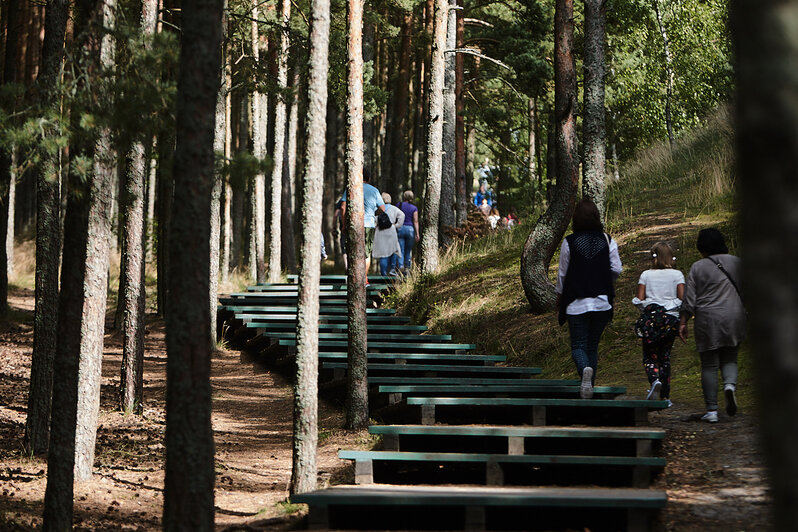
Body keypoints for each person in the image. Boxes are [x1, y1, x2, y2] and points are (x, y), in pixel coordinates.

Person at [555, 198, 622, 399]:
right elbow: (617, 269)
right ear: (596, 217)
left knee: (578, 346)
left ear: (575, 219)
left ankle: (585, 372)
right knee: (592, 346)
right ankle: (588, 388)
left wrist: (559, 295)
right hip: (602, 302)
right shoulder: (607, 240)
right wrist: (604, 280)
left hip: (576, 303)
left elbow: (563, 274)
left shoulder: (569, 242)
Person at [679, 228, 745, 423]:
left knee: (709, 364)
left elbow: (689, 299)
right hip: (735, 315)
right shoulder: (737, 262)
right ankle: (730, 386)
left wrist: (683, 322)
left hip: (707, 319)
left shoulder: (697, 267)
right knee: (730, 357)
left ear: (702, 246)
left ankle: (712, 411)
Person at [632, 241, 685, 406]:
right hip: (670, 320)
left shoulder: (646, 275)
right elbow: (682, 298)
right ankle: (666, 396)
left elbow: (640, 299)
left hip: (651, 321)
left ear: (653, 257)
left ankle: (654, 380)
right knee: (665, 356)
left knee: (649, 355)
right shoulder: (677, 275)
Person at [340, 168, 385, 275]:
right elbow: (383, 209)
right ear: (368, 178)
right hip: (369, 224)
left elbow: (343, 207)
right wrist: (373, 214)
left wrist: (344, 224)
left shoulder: (351, 188)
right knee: (366, 254)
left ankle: (353, 276)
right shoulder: (374, 190)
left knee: (352, 251)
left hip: (353, 224)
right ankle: (364, 278)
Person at [372, 192, 405, 276]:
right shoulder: (394, 208)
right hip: (391, 231)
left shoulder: (377, 209)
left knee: (383, 253)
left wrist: (375, 225)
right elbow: (402, 215)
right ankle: (392, 269)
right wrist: (397, 225)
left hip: (380, 232)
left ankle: (383, 274)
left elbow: (373, 219)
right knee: (393, 250)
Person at [397, 190, 420, 272]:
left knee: (400, 250)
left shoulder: (399, 205)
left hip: (400, 228)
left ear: (404, 196)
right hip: (410, 229)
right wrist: (417, 233)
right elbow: (415, 221)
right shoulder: (414, 208)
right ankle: (407, 268)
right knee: (408, 251)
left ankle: (400, 266)